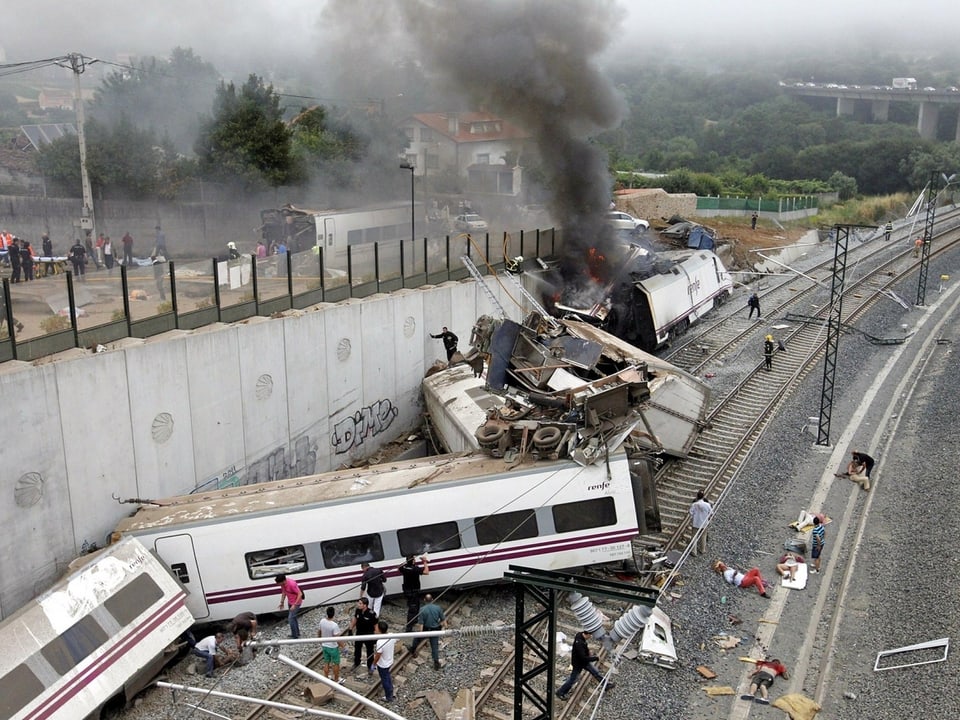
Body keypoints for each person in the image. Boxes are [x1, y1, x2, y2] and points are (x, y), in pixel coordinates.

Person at [556, 630, 614, 700]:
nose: (591, 636)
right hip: (578, 664)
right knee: (573, 679)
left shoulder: (580, 635)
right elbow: (584, 658)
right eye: (590, 635)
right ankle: (560, 692)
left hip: (583, 662)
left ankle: (606, 685)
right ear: (586, 634)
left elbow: (584, 646)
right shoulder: (579, 644)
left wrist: (587, 650)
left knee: (596, 672)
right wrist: (596, 658)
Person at [410, 593, 445, 670]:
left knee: (416, 638)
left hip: (426, 629)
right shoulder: (438, 608)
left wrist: (420, 633)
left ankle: (413, 649)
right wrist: (442, 627)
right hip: (435, 630)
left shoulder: (422, 609)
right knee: (434, 647)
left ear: (424, 600)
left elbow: (421, 624)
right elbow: (443, 620)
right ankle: (436, 663)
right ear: (432, 600)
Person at [398, 553, 430, 631]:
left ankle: (414, 621)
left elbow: (399, 567)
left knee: (415, 606)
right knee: (412, 609)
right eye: (414, 559)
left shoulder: (404, 568)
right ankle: (409, 628)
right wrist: (425, 562)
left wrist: (407, 561)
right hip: (414, 591)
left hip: (407, 591)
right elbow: (426, 572)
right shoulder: (415, 569)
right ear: (412, 561)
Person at [349, 596, 378, 675]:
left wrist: (377, 637)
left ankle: (370, 667)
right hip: (359, 633)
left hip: (369, 635)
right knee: (357, 649)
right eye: (359, 603)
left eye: (360, 603)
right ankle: (356, 663)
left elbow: (376, 626)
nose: (358, 604)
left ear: (365, 605)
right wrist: (350, 629)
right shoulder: (358, 610)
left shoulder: (372, 614)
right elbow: (355, 619)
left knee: (370, 651)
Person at [370, 620, 396, 703]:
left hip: (382, 664)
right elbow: (397, 638)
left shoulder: (380, 642)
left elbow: (378, 655)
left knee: (384, 679)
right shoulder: (391, 636)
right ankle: (391, 689)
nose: (375, 629)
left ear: (380, 630)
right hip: (389, 661)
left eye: (376, 628)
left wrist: (373, 664)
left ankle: (389, 696)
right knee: (387, 675)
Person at [318, 606, 345, 683]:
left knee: (326, 662)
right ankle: (336, 679)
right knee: (336, 663)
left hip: (324, 645)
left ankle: (326, 678)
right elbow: (337, 638)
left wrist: (319, 639)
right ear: (334, 614)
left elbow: (319, 631)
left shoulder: (322, 621)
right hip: (333, 647)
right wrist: (343, 646)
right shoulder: (334, 625)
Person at [274, 573, 304, 638]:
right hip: (290, 602)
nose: (278, 584)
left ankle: (294, 636)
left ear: (283, 581)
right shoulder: (283, 584)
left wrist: (294, 605)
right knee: (294, 618)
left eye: (278, 583)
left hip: (296, 603)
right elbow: (284, 592)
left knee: (290, 619)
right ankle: (297, 633)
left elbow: (300, 594)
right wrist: (282, 602)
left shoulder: (291, 584)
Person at [689, 490, 713, 556]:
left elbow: (691, 512)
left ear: (697, 496)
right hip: (704, 523)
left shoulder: (694, 504)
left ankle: (694, 551)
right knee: (703, 535)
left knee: (694, 536)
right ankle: (702, 549)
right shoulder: (707, 505)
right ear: (703, 497)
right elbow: (711, 513)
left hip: (696, 523)